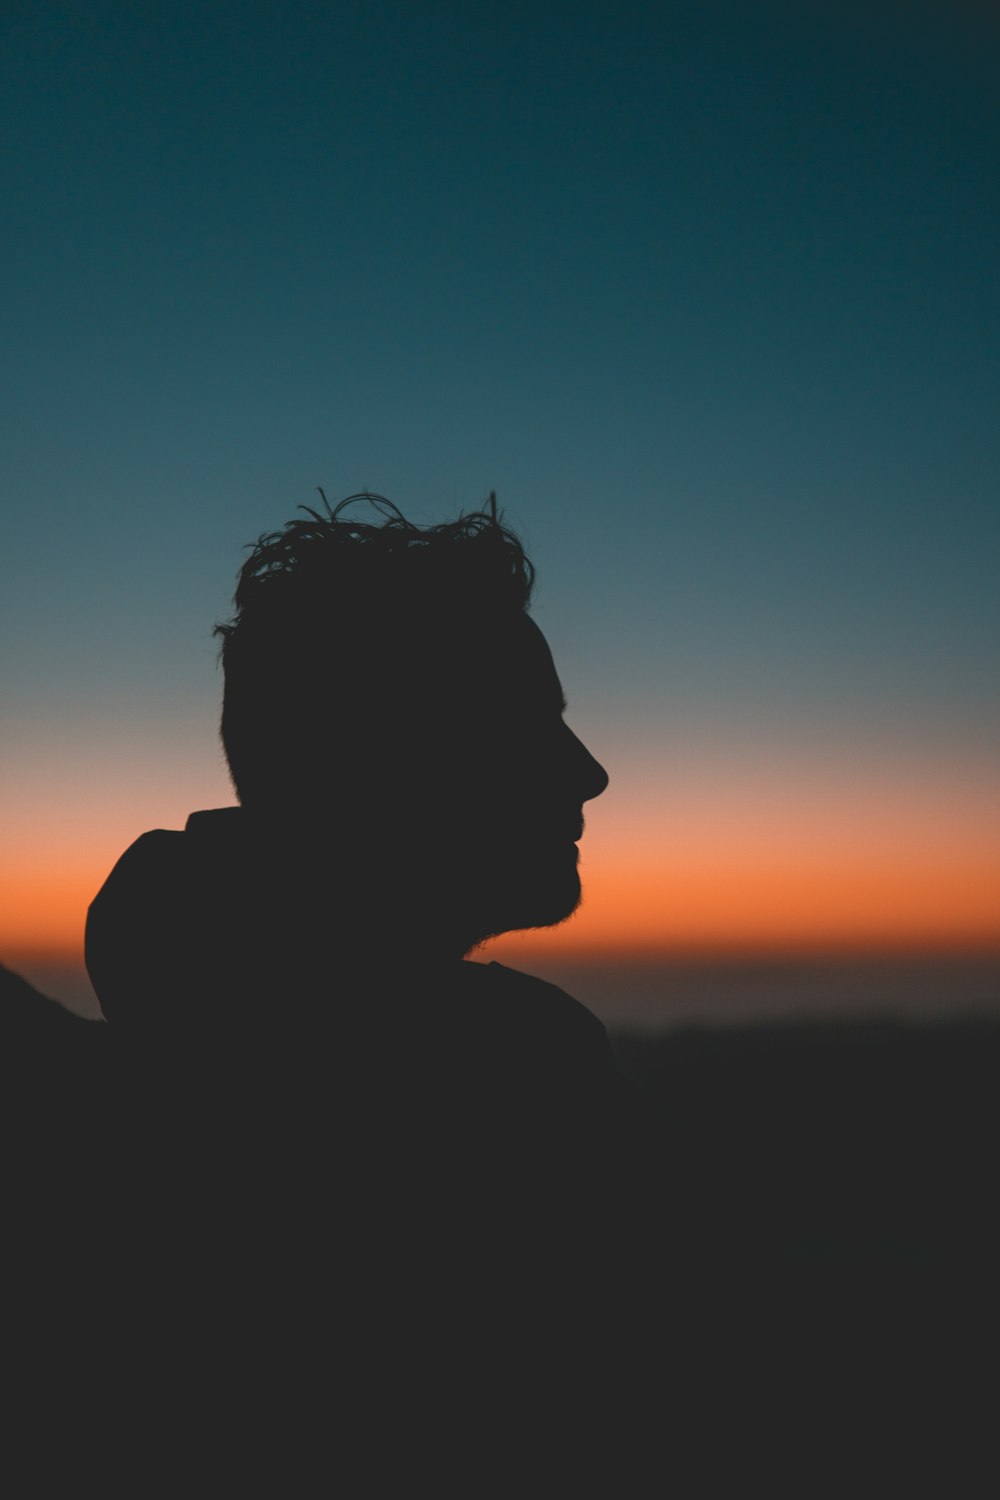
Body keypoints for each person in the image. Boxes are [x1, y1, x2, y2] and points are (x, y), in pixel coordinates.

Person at [83, 494, 652, 1451]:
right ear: (383, 757)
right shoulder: (515, 1070)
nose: (588, 772)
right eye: (526, 724)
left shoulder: (151, 1043)